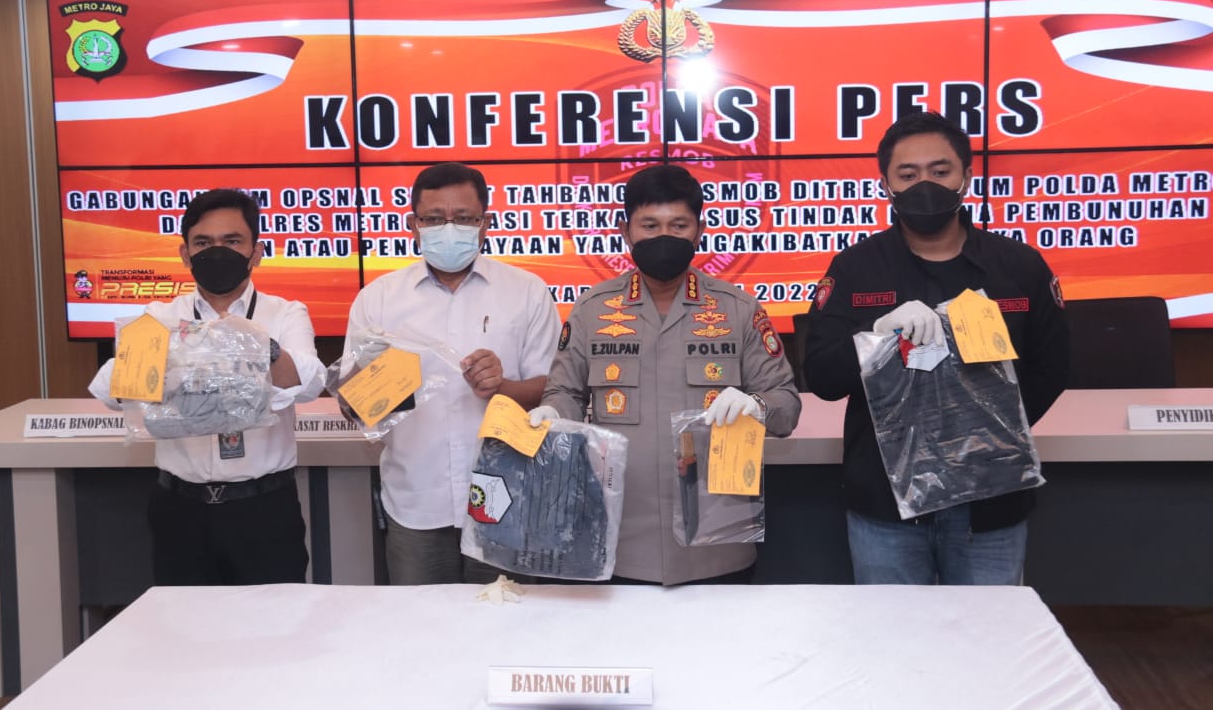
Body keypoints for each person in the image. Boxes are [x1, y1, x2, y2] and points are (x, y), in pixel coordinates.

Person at [804, 110, 1070, 585]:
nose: (924, 184)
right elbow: (821, 376)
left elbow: (1053, 368)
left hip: (990, 501)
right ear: (886, 184)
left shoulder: (1018, 266)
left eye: (940, 170)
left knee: (987, 630)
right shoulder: (855, 268)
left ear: (966, 175)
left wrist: (988, 434)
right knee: (894, 632)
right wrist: (875, 335)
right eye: (908, 175)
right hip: (886, 504)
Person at [536, 164, 801, 585]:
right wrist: (552, 413)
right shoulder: (593, 309)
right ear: (625, 232)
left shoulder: (737, 309)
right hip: (616, 538)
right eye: (650, 225)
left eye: (678, 225)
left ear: (699, 232)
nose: (664, 236)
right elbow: (566, 392)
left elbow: (786, 406)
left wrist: (757, 405)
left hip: (716, 540)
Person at [89, 188, 325, 585]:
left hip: (264, 509)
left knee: (275, 619)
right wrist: (181, 357)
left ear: (256, 252)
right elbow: (111, 390)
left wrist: (256, 345)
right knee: (184, 620)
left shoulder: (285, 313)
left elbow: (310, 382)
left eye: (232, 241)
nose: (217, 252)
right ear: (185, 254)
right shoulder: (159, 316)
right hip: (180, 510)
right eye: (203, 243)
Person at [344, 162, 561, 584]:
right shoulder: (379, 300)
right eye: (433, 219)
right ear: (413, 225)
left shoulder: (526, 292)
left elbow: (553, 391)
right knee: (423, 623)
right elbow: (355, 409)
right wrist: (373, 386)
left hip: (507, 499)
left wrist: (502, 387)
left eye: (463, 218)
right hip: (415, 501)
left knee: (506, 620)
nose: (449, 229)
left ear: (485, 224)